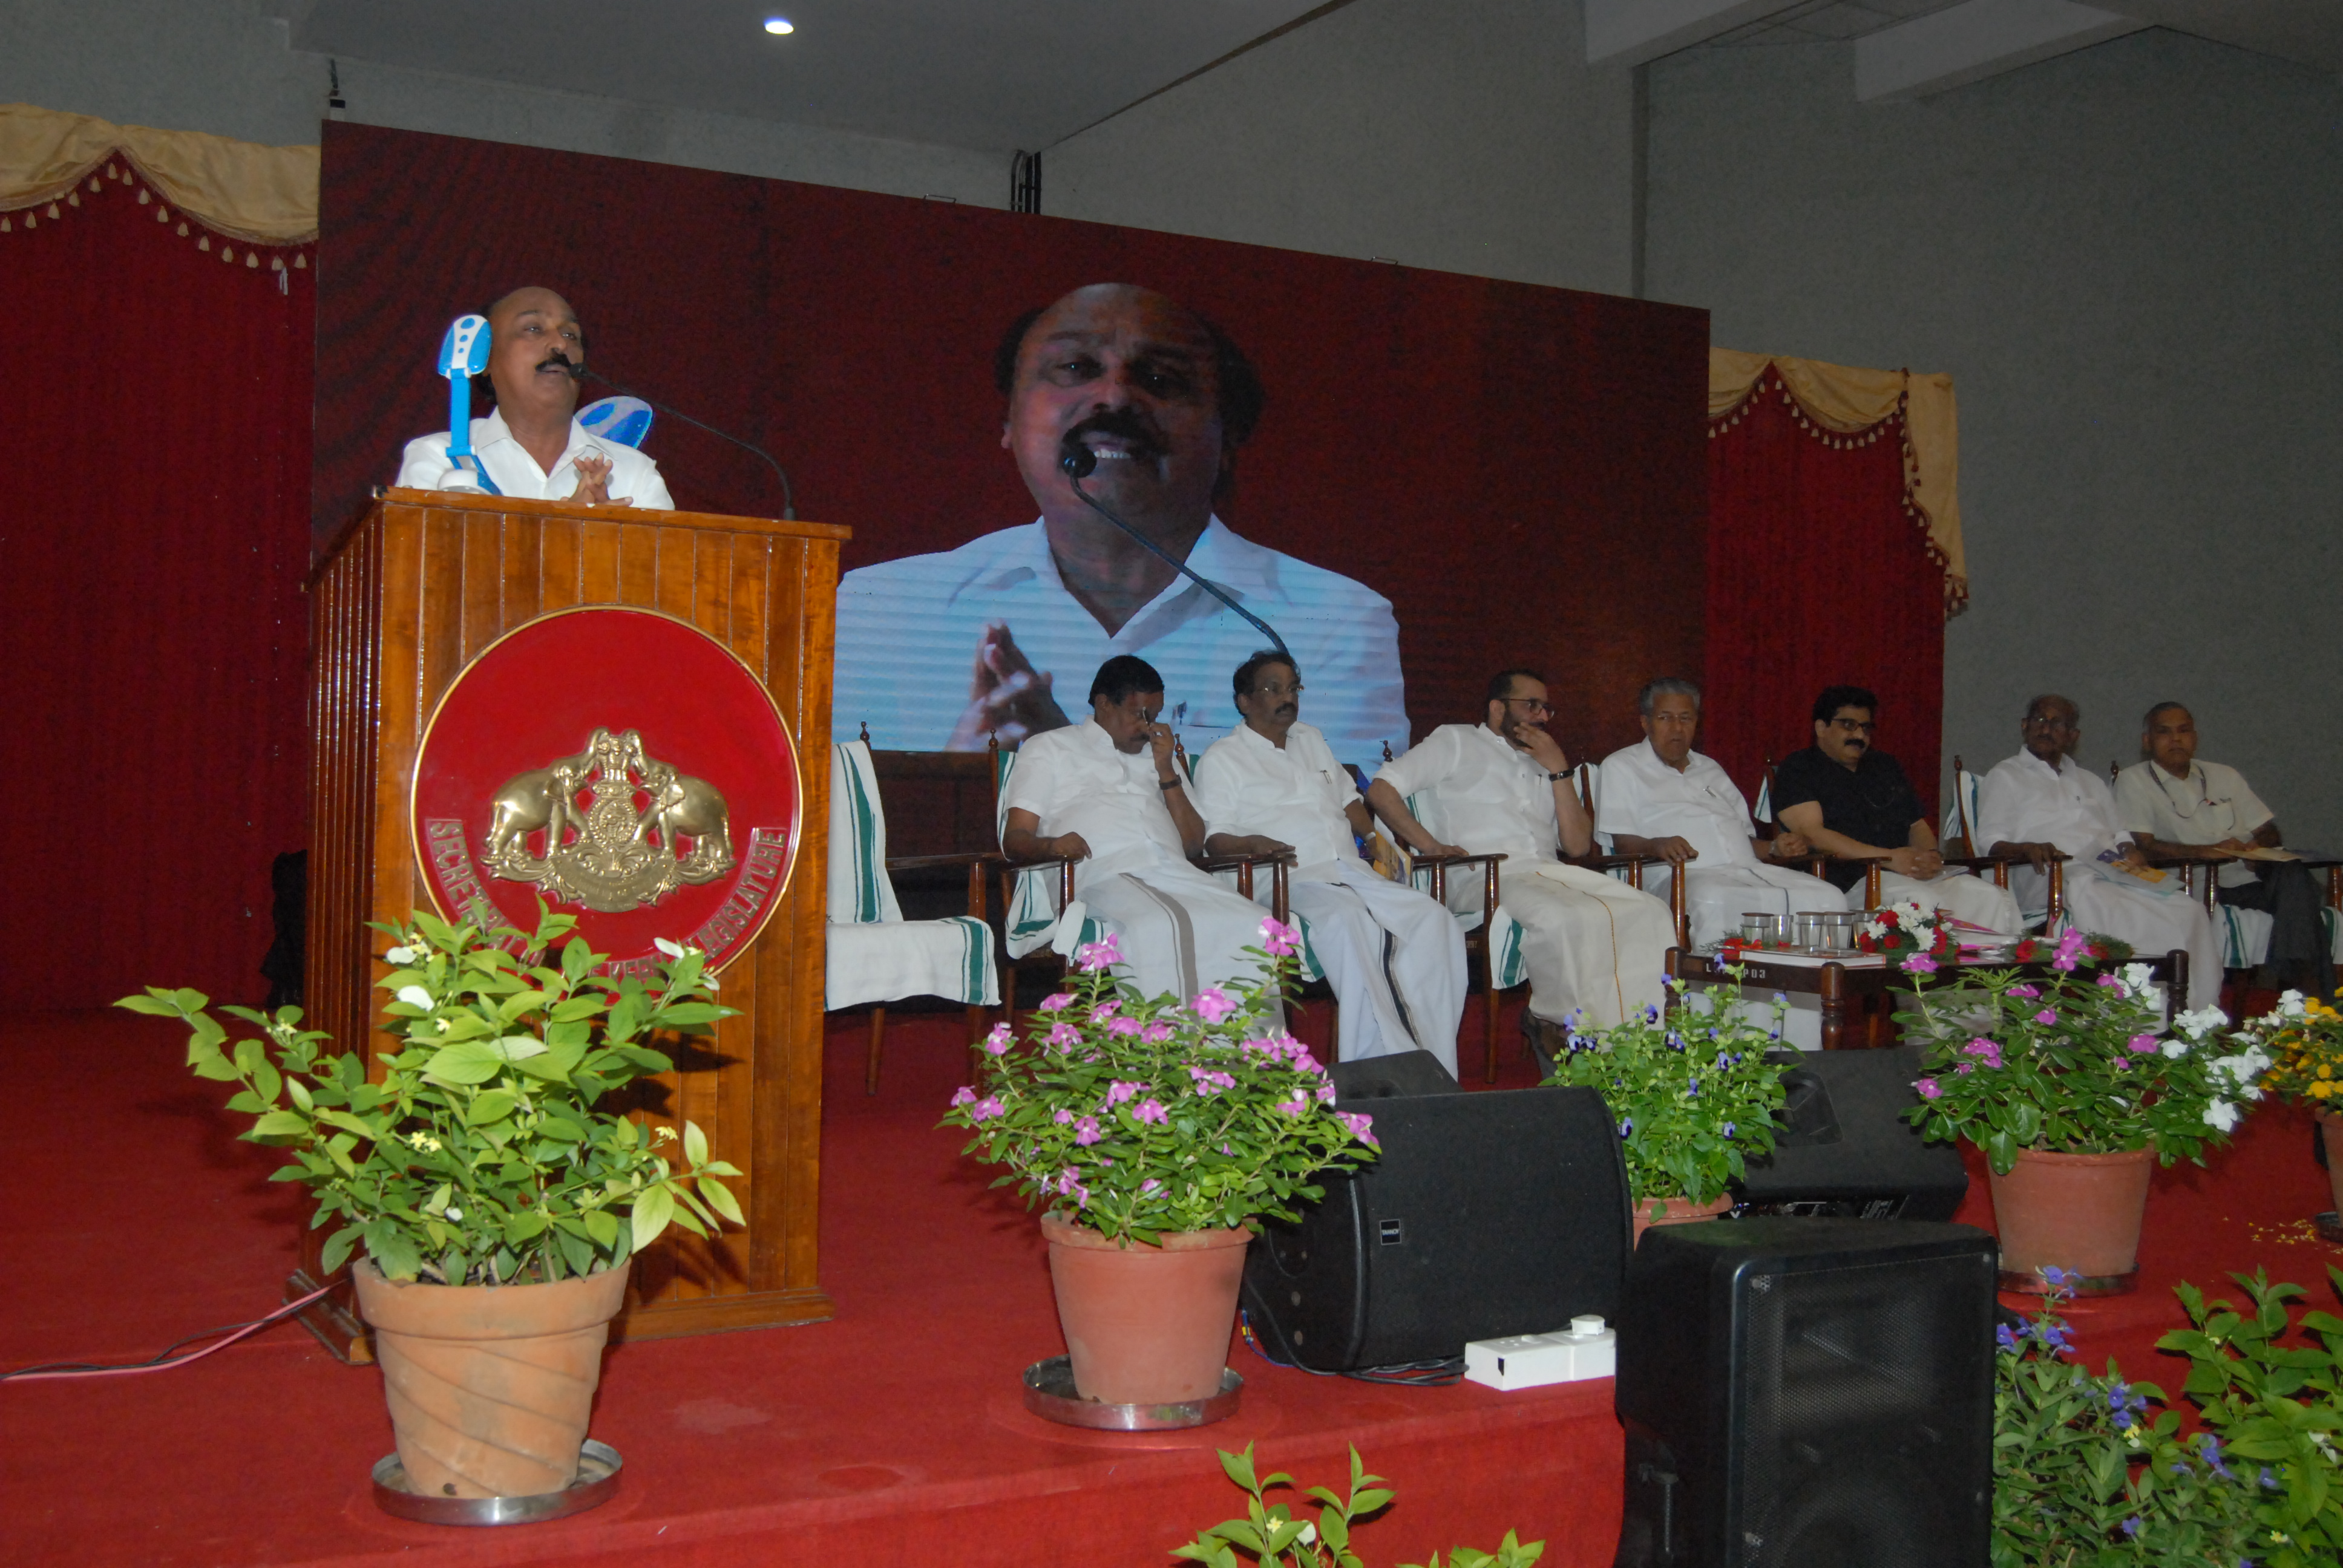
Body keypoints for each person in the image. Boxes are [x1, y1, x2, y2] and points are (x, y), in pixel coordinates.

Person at [832, 283, 1406, 769]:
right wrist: (955, 789)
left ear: (1227, 434)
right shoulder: (885, 606)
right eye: (1075, 369)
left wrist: (1073, 763)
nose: (1112, 396)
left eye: (1159, 378)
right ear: (1009, 420)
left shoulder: (1333, 621)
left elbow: (1349, 838)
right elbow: (831, 831)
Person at [1192, 651, 1467, 1073]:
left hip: (1349, 870)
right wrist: (1255, 843)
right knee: (1347, 920)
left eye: (1293, 689)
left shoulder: (1311, 739)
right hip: (1286, 879)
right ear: (1244, 701)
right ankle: (1374, 1068)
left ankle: (1436, 1063)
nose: (1288, 698)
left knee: (1436, 921)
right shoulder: (1223, 758)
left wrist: (1373, 838)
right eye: (1273, 689)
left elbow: (1347, 798)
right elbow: (1214, 840)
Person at [1365, 669, 1675, 1030]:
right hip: (1484, 877)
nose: (1542, 716)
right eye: (1531, 705)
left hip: (1552, 874)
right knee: (1562, 917)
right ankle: (1563, 1029)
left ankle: (1645, 1036)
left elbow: (1577, 846)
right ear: (1498, 709)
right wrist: (1431, 846)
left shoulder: (1543, 760)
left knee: (1650, 910)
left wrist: (1559, 770)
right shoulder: (1456, 740)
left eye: (1546, 708)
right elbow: (1381, 790)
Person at [1000, 655, 1274, 1004]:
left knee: (1256, 924)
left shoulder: (1159, 755)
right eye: (1138, 714)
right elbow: (1016, 839)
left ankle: (1243, 1041)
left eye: (1154, 716)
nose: (1148, 727)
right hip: (1099, 876)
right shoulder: (1050, 747)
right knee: (1155, 925)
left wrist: (1165, 770)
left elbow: (1193, 844)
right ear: (1104, 705)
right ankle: (1165, 1038)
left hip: (1174, 872)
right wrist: (1052, 846)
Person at [1974, 694, 2221, 1005]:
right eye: (2040, 720)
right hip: (2051, 873)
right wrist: (2026, 847)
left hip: (2112, 869)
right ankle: (2132, 1014)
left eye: (2057, 723)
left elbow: (2120, 833)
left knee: (2188, 910)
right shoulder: (2005, 775)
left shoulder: (2090, 780)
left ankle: (2194, 1011)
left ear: (2073, 736)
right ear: (2025, 726)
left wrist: (2129, 848)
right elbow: (1990, 841)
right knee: (2113, 907)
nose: (2046, 728)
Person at [1594, 678, 1847, 947]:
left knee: (1830, 898)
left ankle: (1802, 976)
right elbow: (1622, 843)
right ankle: (1718, 976)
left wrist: (1775, 847)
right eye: (1665, 718)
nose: (1677, 728)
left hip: (1749, 870)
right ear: (1645, 723)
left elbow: (1746, 841)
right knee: (1715, 898)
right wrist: (1657, 845)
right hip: (1679, 877)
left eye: (1686, 718)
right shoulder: (1622, 766)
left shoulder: (1710, 768)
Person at [2117, 702, 2333, 999]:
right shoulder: (2134, 780)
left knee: (2294, 874)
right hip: (2200, 882)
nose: (2176, 739)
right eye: (2164, 732)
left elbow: (2268, 830)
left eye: (2183, 731)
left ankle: (2296, 975)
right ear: (2147, 741)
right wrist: (2205, 852)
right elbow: (2144, 846)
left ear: (2195, 737)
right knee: (2303, 894)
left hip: (2253, 874)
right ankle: (2307, 986)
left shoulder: (2224, 775)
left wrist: (2257, 846)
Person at [1772, 684, 2021, 936]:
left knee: (1988, 896)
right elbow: (1813, 834)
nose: (1859, 735)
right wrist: (1890, 859)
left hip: (1906, 873)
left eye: (1866, 728)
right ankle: (1932, 961)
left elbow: (1917, 825)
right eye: (1848, 725)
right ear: (1821, 727)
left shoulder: (1885, 766)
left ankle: (1984, 962)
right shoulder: (1799, 768)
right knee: (1918, 901)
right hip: (1850, 882)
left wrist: (1928, 858)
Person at [395, 287, 673, 508]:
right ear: (486, 359)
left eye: (571, 335)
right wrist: (566, 531)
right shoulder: (438, 459)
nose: (560, 344)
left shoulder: (635, 474)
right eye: (533, 329)